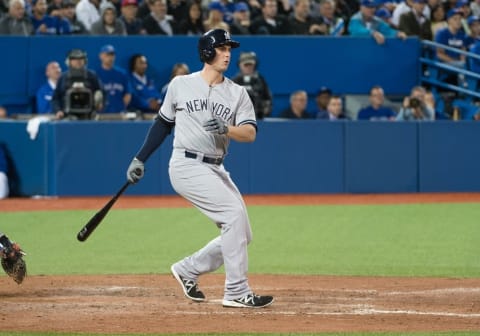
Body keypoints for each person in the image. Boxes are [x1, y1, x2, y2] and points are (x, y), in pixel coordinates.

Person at [125, 29, 274, 309]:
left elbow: (250, 133)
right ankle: (236, 291)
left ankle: (188, 269)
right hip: (185, 164)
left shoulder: (237, 92)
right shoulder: (180, 84)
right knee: (232, 217)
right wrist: (140, 158)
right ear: (207, 52)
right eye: (222, 48)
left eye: (230, 48)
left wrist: (227, 129)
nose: (228, 53)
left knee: (242, 233)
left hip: (216, 166)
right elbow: (162, 125)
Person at [51, 49, 104, 120]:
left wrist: (99, 103)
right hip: (67, 115)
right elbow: (56, 98)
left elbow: (100, 92)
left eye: (81, 59)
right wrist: (58, 111)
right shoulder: (63, 77)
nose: (78, 61)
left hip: (88, 116)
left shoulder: (92, 76)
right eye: (74, 59)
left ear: (85, 61)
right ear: (69, 62)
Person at [231, 51, 273, 119]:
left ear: (255, 65)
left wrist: (265, 110)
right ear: (240, 66)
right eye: (246, 65)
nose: (248, 67)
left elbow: (268, 98)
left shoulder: (260, 80)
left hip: (258, 118)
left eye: (250, 65)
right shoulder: (234, 81)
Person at [95, 44, 132, 114]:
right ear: (101, 56)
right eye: (107, 55)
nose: (110, 58)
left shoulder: (122, 74)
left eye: (112, 55)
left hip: (119, 113)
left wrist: (121, 107)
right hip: (101, 114)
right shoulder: (95, 74)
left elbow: (128, 93)